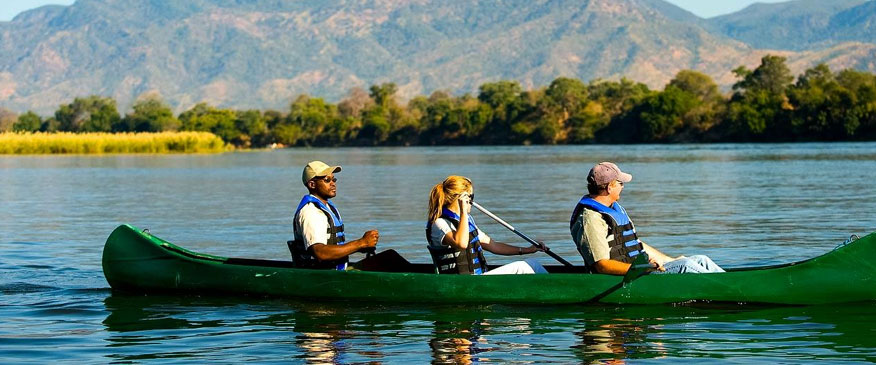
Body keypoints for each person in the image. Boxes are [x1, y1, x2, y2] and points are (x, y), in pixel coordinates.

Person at [570, 162, 724, 275]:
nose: (623, 186)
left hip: (639, 270)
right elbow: (601, 266)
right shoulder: (590, 218)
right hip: (626, 278)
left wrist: (669, 260)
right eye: (620, 183)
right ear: (610, 187)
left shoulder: (613, 208)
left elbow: (635, 245)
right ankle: (730, 290)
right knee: (686, 266)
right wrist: (643, 269)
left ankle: (734, 282)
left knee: (700, 259)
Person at [426, 175, 548, 275]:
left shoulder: (467, 220)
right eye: (471, 197)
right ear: (461, 199)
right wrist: (463, 211)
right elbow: (461, 243)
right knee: (526, 266)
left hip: (479, 278)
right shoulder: (439, 223)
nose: (472, 202)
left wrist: (527, 250)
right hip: (461, 283)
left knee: (531, 263)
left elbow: (493, 246)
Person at [289, 160, 379, 270]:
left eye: (333, 179)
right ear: (312, 184)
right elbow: (320, 252)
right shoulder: (311, 212)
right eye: (327, 180)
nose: (333, 183)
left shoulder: (327, 207)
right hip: (319, 276)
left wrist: (361, 247)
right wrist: (361, 243)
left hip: (334, 272)